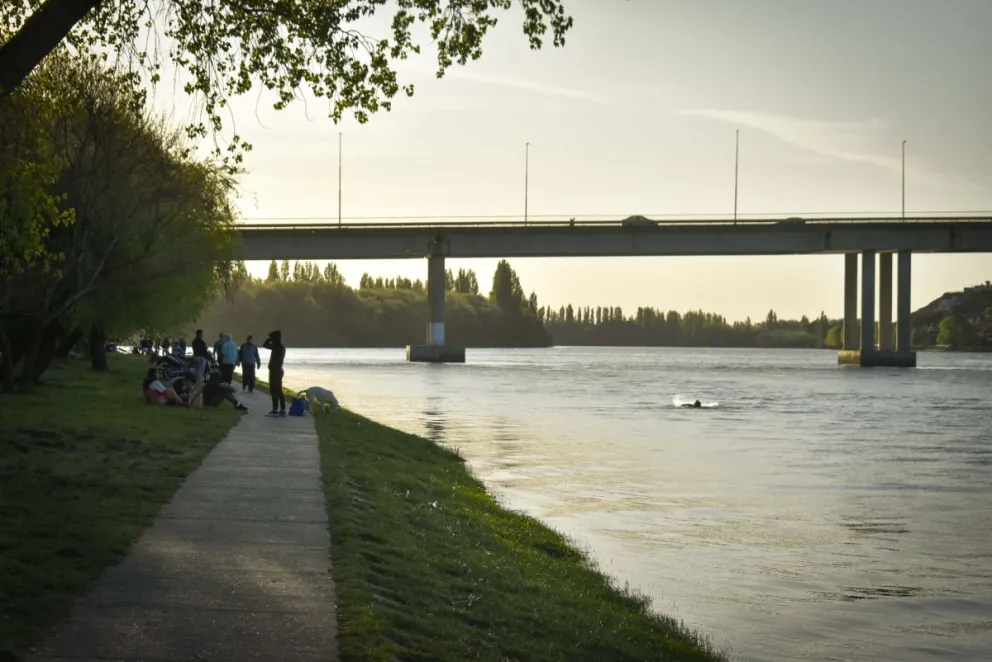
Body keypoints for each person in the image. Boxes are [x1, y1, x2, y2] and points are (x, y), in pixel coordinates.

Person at [262, 329, 286, 417]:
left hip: (274, 371)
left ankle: (275, 409)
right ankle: (282, 409)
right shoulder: (281, 347)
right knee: (278, 390)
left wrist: (269, 339)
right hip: (278, 370)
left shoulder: (276, 347)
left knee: (274, 390)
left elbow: (264, 345)